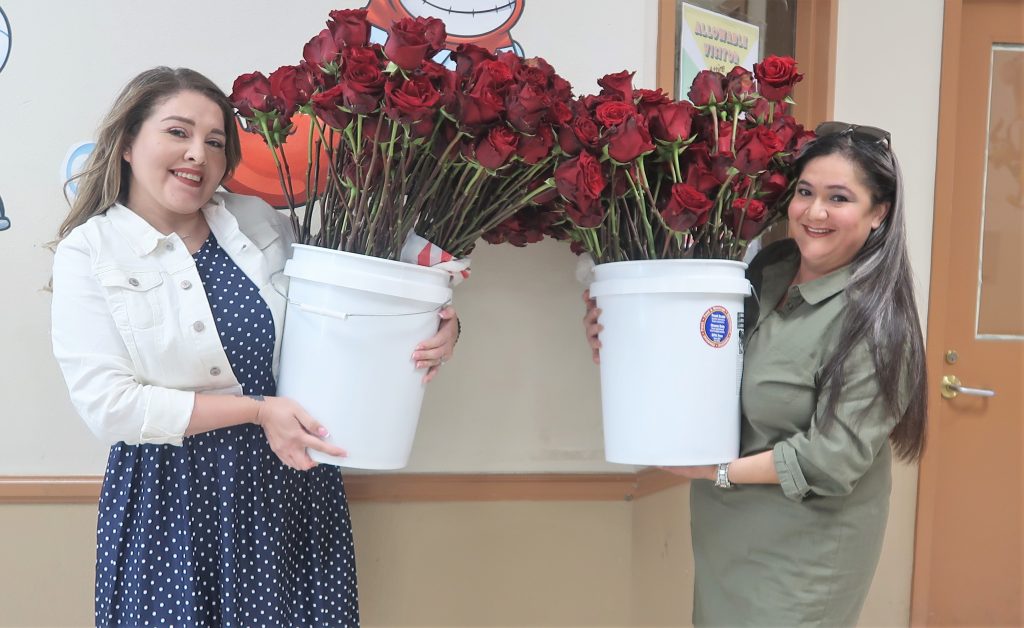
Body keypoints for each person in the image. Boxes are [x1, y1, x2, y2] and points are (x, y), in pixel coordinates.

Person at [51, 67, 460, 627]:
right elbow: (109, 405)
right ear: (127, 143)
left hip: (291, 485)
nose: (198, 154)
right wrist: (258, 411)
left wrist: (440, 321)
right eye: (178, 132)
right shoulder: (89, 251)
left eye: (215, 142)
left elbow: (354, 299)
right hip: (174, 501)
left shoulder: (258, 222)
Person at [583, 123, 928, 626]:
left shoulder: (877, 324)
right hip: (725, 532)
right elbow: (703, 357)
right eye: (806, 192)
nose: (814, 212)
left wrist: (714, 471)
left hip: (803, 552)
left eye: (839, 198)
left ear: (879, 214)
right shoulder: (765, 271)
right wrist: (616, 336)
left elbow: (832, 460)